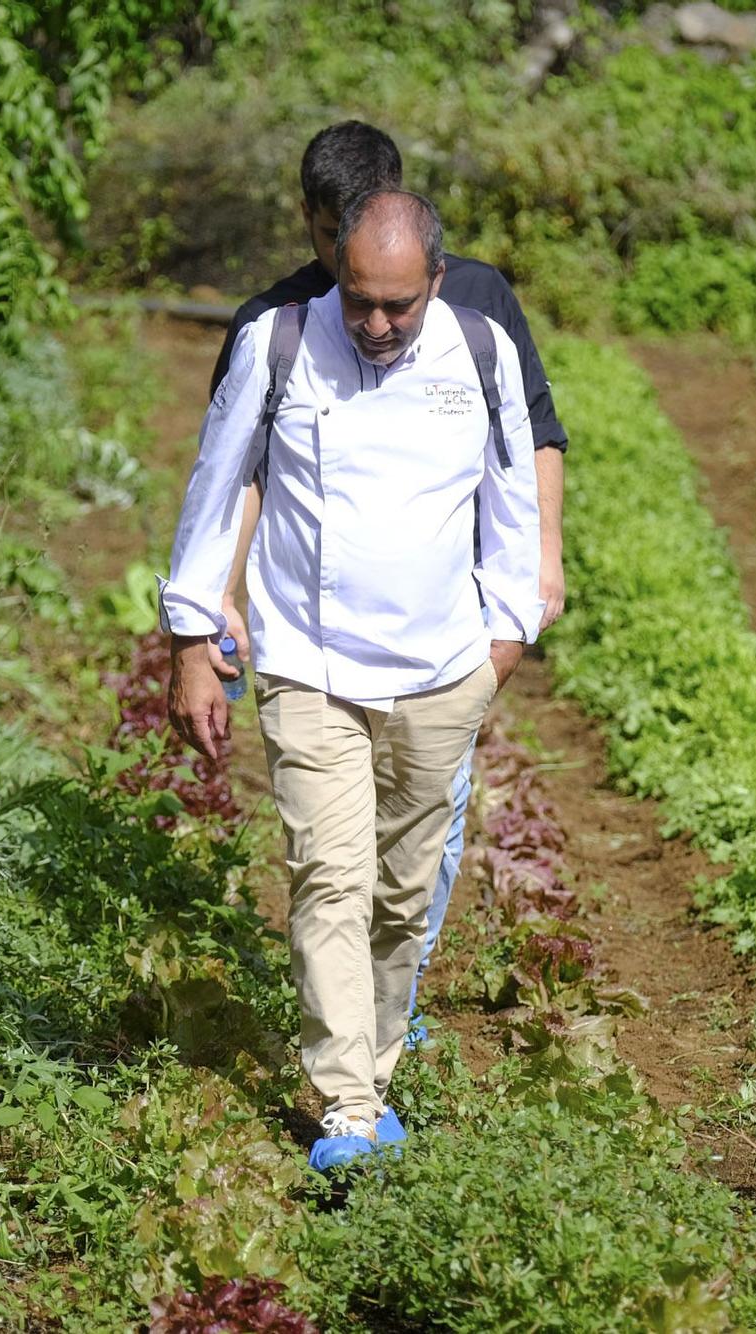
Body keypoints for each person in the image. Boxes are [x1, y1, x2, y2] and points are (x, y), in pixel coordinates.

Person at [160, 190, 544, 1170]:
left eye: (396, 306)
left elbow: (510, 504)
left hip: (440, 672)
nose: (374, 324)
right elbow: (218, 483)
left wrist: (500, 646)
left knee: (403, 895)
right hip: (308, 663)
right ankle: (345, 1108)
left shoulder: (480, 350)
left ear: (436, 284)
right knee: (330, 875)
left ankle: (370, 1071)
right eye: (358, 299)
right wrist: (191, 635)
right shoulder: (277, 342)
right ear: (334, 266)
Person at [208, 121, 571, 1034]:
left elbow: (530, 435)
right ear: (311, 226)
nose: (360, 297)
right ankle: (353, 1069)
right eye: (331, 243)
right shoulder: (278, 326)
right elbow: (242, 469)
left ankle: (389, 1000)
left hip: (442, 630)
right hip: (318, 645)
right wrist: (223, 595)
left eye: (387, 288)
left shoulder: (476, 307)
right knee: (334, 857)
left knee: (426, 832)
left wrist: (537, 575)